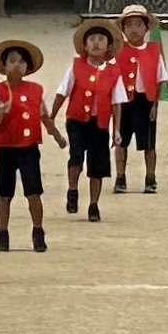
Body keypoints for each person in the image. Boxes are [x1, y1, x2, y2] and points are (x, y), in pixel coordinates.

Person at [0, 36, 51, 255]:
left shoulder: (36, 89)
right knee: (4, 194)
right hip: (5, 147)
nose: (17, 65)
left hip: (29, 146)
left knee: (34, 192)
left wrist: (56, 134)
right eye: (12, 61)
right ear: (4, 66)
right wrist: (0, 113)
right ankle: (2, 233)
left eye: (21, 61)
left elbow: (43, 114)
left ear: (27, 67)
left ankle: (38, 231)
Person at [62, 22, 121, 225]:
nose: (96, 43)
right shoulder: (76, 67)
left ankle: (94, 205)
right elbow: (63, 92)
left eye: (101, 40)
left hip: (100, 123)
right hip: (77, 120)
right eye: (92, 40)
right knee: (76, 157)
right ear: (85, 45)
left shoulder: (113, 72)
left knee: (97, 166)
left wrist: (117, 130)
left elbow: (116, 102)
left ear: (108, 46)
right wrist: (51, 116)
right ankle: (72, 189)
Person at [112, 4, 166, 194]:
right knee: (121, 141)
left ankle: (150, 178)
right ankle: (120, 177)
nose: (133, 29)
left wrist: (155, 104)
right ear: (123, 29)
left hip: (146, 100)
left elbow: (159, 79)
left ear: (146, 28)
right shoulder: (118, 51)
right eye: (129, 25)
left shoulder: (154, 51)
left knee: (149, 143)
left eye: (138, 25)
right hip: (124, 100)